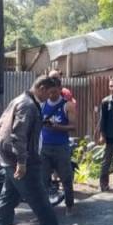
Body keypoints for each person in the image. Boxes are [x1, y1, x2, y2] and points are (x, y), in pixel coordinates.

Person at [0, 75, 78, 225]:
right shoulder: (28, 105)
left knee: (8, 198)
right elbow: (18, 135)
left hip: (8, 157)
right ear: (42, 88)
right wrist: (22, 162)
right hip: (21, 159)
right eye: (49, 92)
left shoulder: (20, 100)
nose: (50, 97)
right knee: (39, 197)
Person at [41, 79, 77, 216]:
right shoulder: (42, 105)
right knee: (42, 180)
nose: (51, 94)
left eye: (54, 92)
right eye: (49, 92)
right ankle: (44, 209)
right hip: (44, 147)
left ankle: (69, 206)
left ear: (60, 88)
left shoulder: (68, 106)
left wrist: (57, 127)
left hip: (61, 147)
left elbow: (73, 127)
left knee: (66, 178)